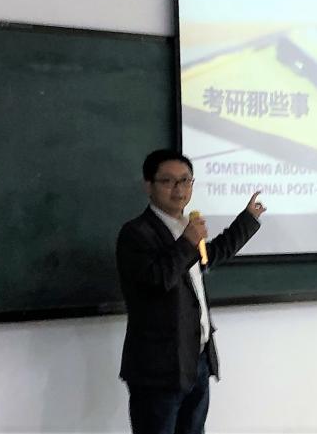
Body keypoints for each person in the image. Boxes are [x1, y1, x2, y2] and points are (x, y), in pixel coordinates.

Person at [116, 148, 265, 434]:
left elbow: (211, 256)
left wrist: (247, 220)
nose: (179, 189)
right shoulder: (136, 233)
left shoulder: (187, 228)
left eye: (185, 180)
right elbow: (156, 280)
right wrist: (186, 242)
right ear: (149, 185)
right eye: (168, 181)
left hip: (196, 359)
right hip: (158, 368)